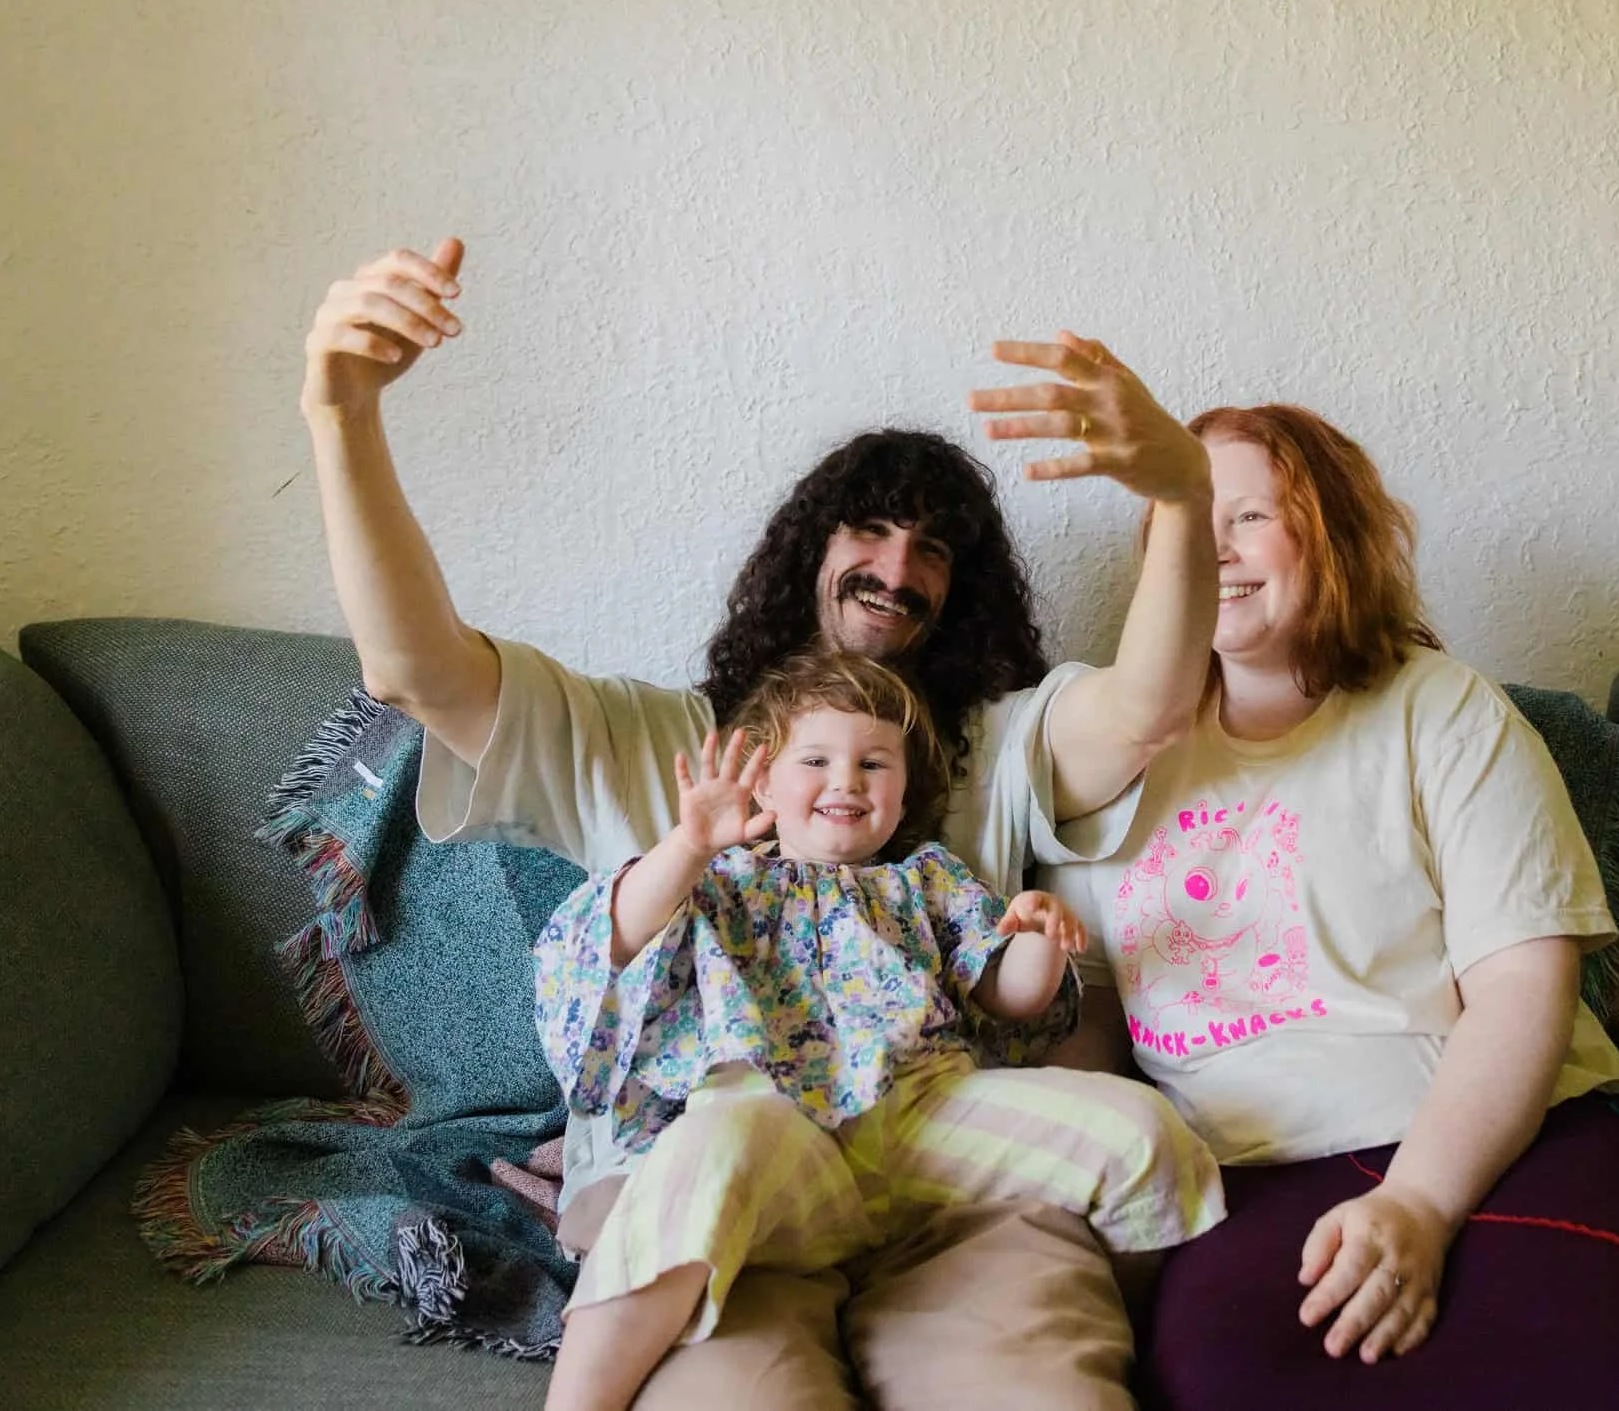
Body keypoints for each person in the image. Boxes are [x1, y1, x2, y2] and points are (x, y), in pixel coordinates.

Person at [300, 237, 1221, 1410]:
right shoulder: (649, 741)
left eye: (933, 551)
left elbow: (1147, 712)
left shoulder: (990, 745)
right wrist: (341, 415)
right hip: (711, 1201)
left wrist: (1182, 492)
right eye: (871, 532)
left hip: (961, 1195)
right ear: (809, 553)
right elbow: (413, 667)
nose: (897, 568)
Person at [1040, 405, 1619, 1410]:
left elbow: (1521, 990)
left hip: (1503, 1137)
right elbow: (1097, 1016)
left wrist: (1419, 1203)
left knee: (1603, 1376)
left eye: (1247, 515)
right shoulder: (1103, 746)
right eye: (1184, 519)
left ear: (1325, 531)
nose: (1214, 548)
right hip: (1243, 1174)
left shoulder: (1445, 710)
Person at [532, 651, 1224, 1411]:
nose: (846, 779)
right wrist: (690, 846)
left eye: (874, 762)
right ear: (762, 781)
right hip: (775, 1133)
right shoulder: (721, 883)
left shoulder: (926, 881)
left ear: (903, 792)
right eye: (816, 759)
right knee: (701, 1154)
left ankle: (1154, 1343)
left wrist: (1038, 939)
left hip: (922, 1125)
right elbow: (611, 947)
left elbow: (1011, 998)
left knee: (1141, 1130)